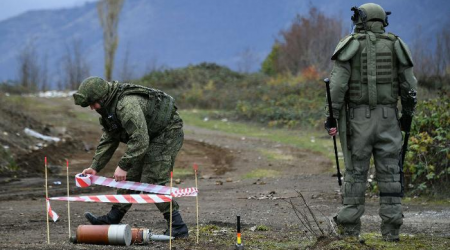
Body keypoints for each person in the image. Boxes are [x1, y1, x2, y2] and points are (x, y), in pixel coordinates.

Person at [324, 3, 417, 242]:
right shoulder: (397, 45)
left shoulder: (349, 46)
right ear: (382, 21)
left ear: (361, 20)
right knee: (390, 174)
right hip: (389, 119)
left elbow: (336, 86)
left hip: (358, 121)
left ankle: (349, 229)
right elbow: (410, 87)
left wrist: (331, 117)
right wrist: (406, 116)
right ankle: (391, 231)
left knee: (355, 174)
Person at [73, 76, 188, 238]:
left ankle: (178, 226)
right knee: (131, 178)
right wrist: (95, 166)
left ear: (103, 97)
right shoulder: (108, 109)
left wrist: (123, 165)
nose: (92, 108)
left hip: (166, 133)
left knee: (152, 180)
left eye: (93, 103)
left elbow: (140, 139)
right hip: (149, 134)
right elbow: (109, 138)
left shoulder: (127, 105)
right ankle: (113, 218)